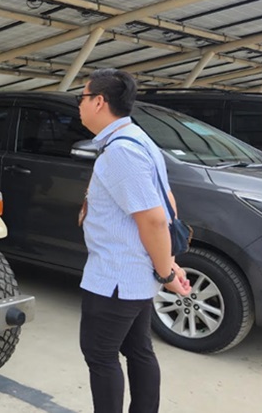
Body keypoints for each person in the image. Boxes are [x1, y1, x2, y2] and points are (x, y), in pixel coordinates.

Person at [77, 68, 191, 413]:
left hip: (116, 276)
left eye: (81, 97)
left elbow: (155, 219)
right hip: (134, 275)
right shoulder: (137, 138)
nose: (78, 106)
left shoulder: (120, 152)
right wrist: (165, 262)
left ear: (99, 101)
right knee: (138, 349)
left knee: (100, 354)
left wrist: (168, 273)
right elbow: (167, 203)